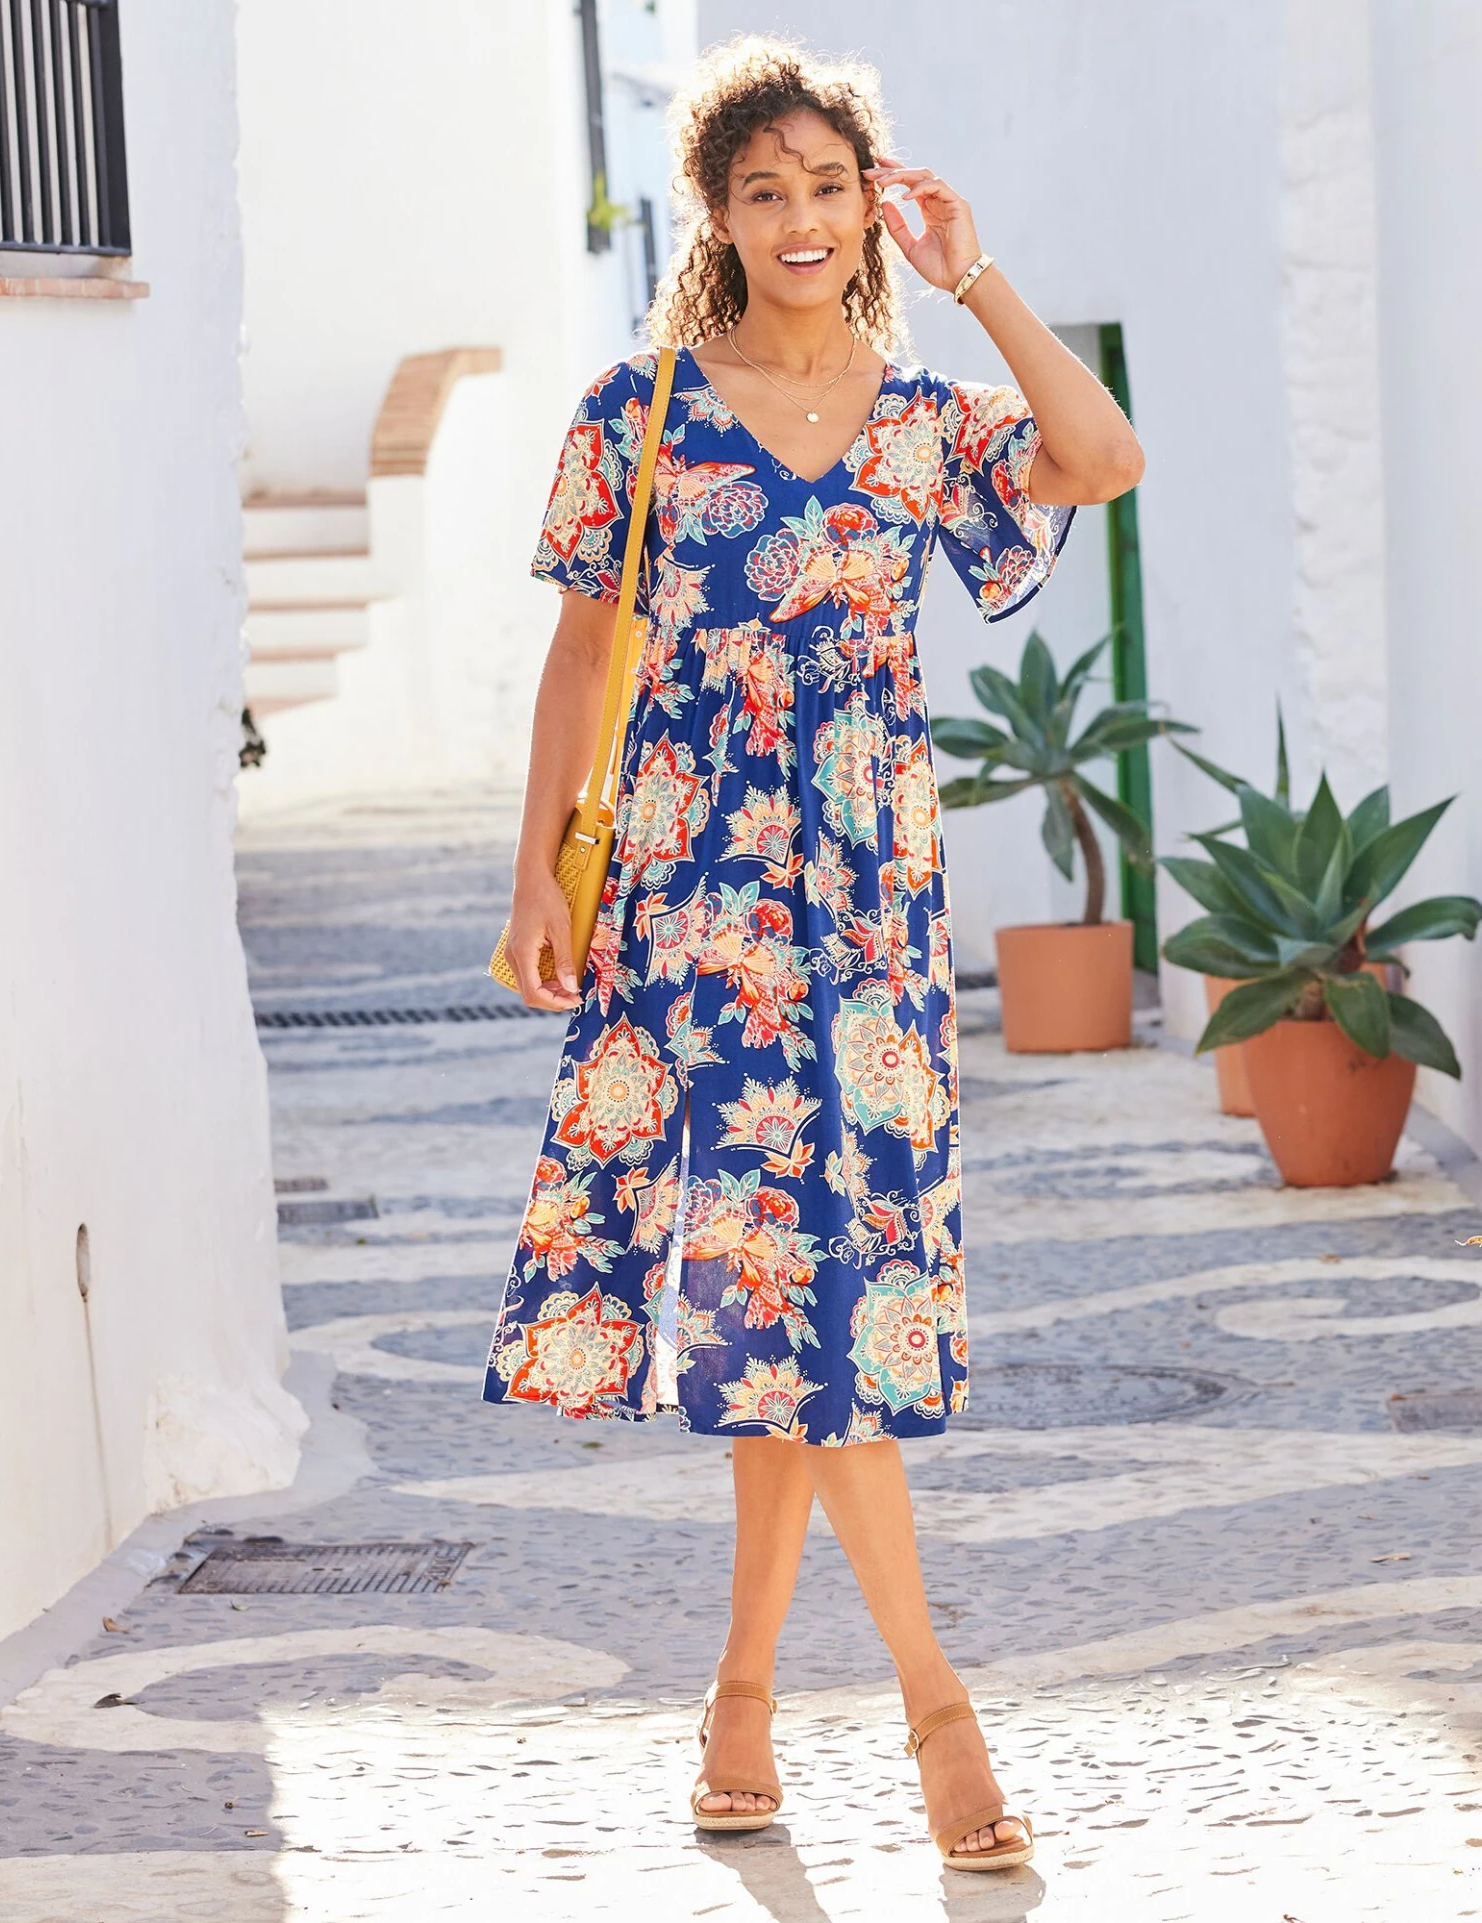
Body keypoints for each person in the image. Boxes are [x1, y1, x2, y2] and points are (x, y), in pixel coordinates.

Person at [485, 35, 1142, 1873]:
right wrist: (537, 876)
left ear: (871, 205)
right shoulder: (637, 408)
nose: (797, 218)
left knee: (801, 1304)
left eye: (827, 188)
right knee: (798, 1293)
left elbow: (1105, 456)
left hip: (868, 912)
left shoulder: (924, 417)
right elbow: (580, 655)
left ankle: (744, 1700)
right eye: (762, 189)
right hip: (695, 902)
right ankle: (938, 1710)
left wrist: (973, 272)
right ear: (715, 212)